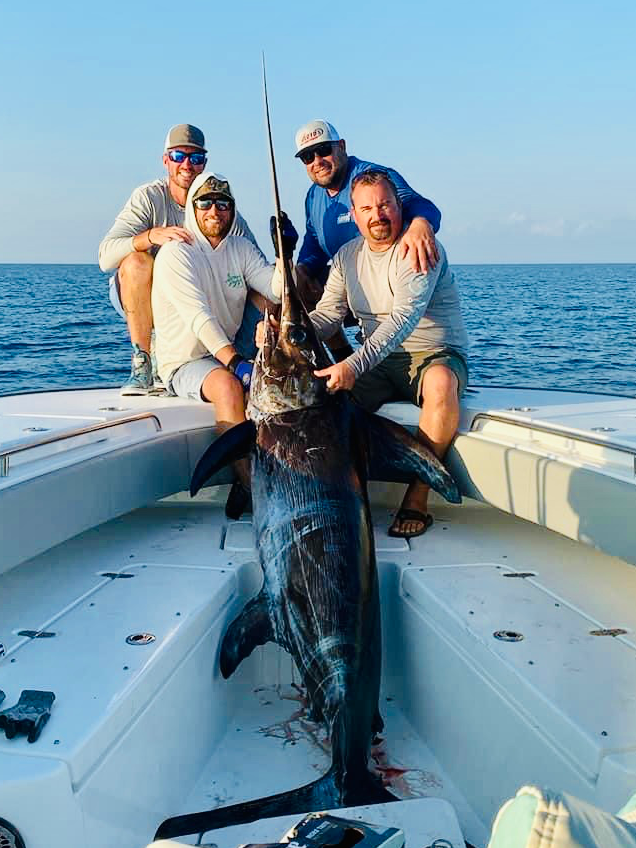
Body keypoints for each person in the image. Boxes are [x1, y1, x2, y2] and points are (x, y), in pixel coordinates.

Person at [308, 169, 468, 539]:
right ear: (354, 212)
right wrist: (285, 330)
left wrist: (351, 364)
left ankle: (418, 494)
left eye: (385, 205)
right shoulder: (346, 256)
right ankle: (341, 494)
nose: (378, 215)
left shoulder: (420, 247)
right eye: (367, 208)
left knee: (442, 383)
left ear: (400, 206)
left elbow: (403, 319)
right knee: (325, 402)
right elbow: (329, 315)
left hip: (432, 352)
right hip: (379, 362)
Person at [151, 172, 291, 518]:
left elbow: (275, 291)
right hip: (186, 361)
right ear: (193, 209)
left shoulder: (240, 248)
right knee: (230, 389)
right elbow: (199, 319)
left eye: (223, 204)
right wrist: (237, 365)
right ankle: (249, 486)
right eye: (206, 203)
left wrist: (284, 255)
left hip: (225, 352)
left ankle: (286, 475)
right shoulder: (176, 254)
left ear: (232, 210)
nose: (215, 210)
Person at [98, 124, 262, 395]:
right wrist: (149, 237)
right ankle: (144, 363)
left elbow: (256, 266)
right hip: (150, 299)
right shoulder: (148, 198)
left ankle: (243, 357)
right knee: (136, 263)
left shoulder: (221, 210)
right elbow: (106, 257)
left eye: (196, 158)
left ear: (204, 163)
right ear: (166, 161)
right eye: (178, 156)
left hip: (204, 297)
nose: (187, 164)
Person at [293, 119, 442, 361]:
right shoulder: (313, 196)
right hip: (347, 284)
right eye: (308, 157)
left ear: (341, 146)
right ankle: (339, 359)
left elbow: (422, 206)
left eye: (324, 151)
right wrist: (299, 271)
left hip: (389, 283)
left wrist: (421, 223)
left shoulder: (374, 177)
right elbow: (314, 245)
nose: (317, 161)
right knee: (289, 287)